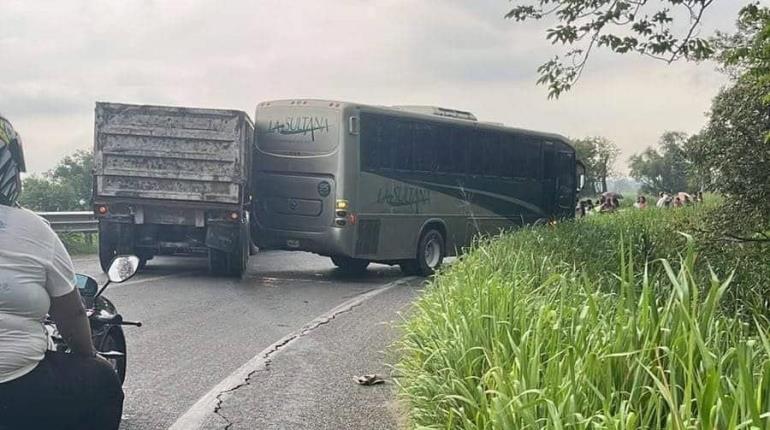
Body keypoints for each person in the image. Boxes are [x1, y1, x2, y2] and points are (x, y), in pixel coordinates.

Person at [0, 114, 124, 430]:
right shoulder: (31, 228)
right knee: (103, 380)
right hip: (15, 387)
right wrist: (88, 354)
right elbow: (70, 314)